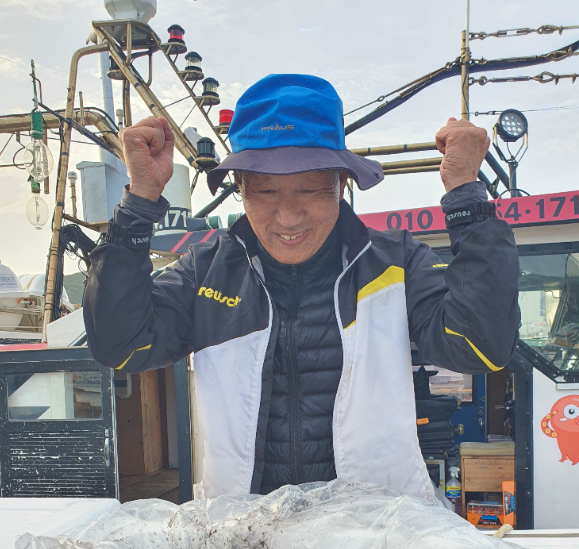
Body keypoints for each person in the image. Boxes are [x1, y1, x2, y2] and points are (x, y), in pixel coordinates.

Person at [83, 74, 520, 501]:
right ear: (240, 189)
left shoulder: (395, 263)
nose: (288, 217)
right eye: (265, 191)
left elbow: (479, 347)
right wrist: (138, 204)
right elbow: (122, 346)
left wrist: (465, 195)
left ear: (341, 184)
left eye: (308, 189)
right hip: (246, 535)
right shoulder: (207, 271)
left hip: (374, 532)